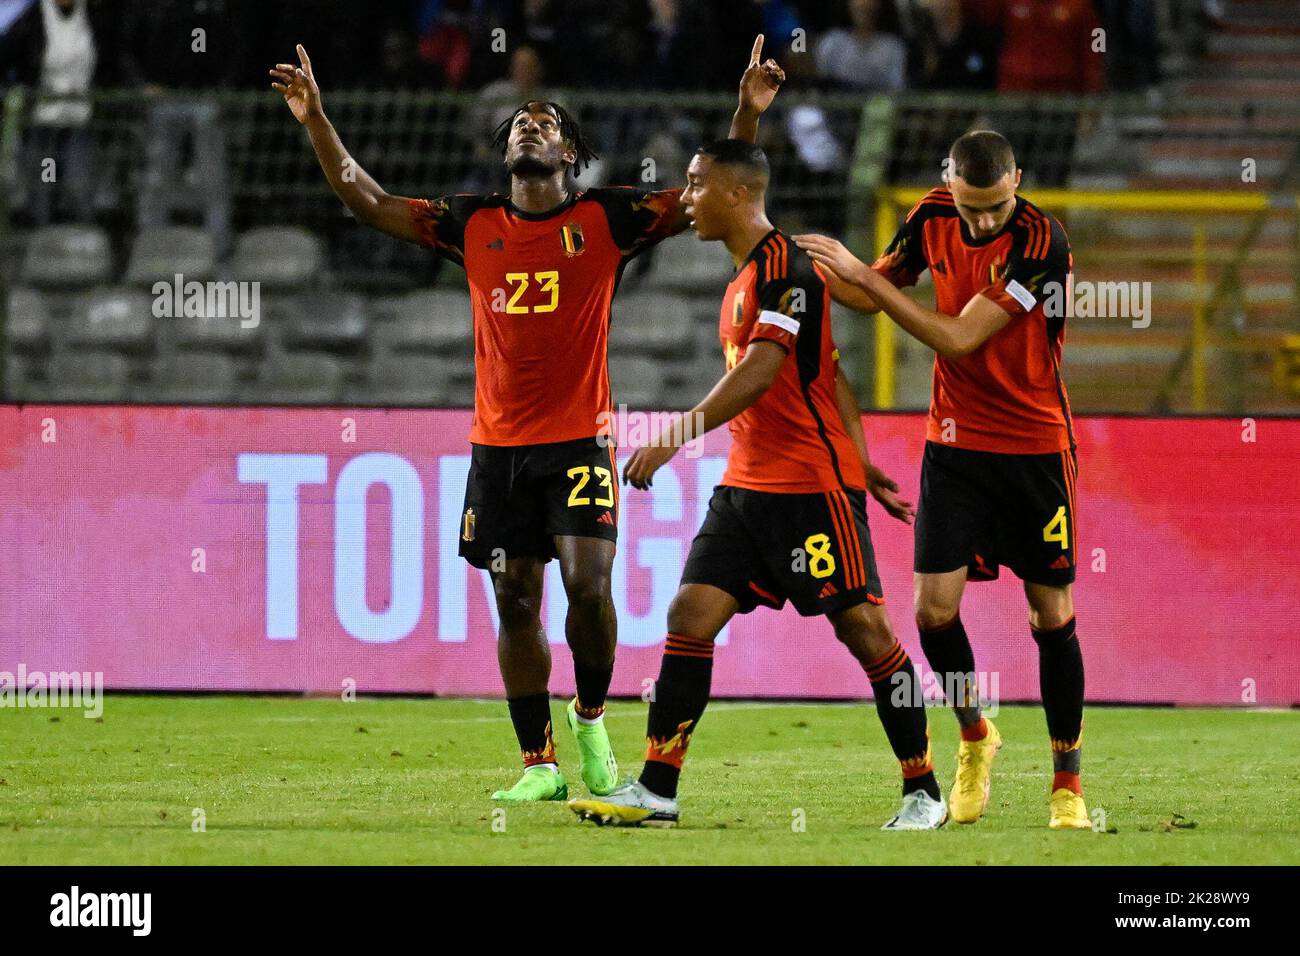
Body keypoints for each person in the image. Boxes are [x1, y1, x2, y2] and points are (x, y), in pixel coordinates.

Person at [269, 37, 785, 803]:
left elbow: (709, 195)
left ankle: (590, 716)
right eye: (520, 123)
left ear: (571, 151)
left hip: (579, 441)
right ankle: (538, 764)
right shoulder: (470, 223)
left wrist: (745, 111)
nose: (529, 127)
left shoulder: (608, 219)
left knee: (587, 586)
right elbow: (370, 203)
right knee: (514, 595)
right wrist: (316, 121)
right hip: (497, 449)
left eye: (545, 121)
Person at [568, 138, 946, 831]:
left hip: (809, 487)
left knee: (863, 630)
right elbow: (831, 373)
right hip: (746, 489)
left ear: (738, 193)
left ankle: (924, 791)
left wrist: (675, 435)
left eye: (695, 186)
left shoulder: (788, 270)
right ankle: (658, 788)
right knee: (689, 616)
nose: (684, 199)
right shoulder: (744, 276)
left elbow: (766, 369)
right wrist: (866, 457)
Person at [794, 130, 1090, 830]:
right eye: (970, 207)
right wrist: (790, 266)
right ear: (947, 183)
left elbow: (959, 337)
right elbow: (871, 294)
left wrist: (862, 279)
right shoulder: (931, 216)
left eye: (995, 206)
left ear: (1018, 179)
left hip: (1035, 448)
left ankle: (1067, 785)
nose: (983, 221)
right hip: (954, 445)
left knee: (1050, 614)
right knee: (932, 613)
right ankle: (974, 734)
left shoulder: (1043, 242)